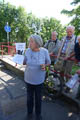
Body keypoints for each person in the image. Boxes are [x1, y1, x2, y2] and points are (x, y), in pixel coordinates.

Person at [23, 34, 51, 120]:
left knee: (38, 99)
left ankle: (38, 114)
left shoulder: (45, 51)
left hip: (39, 80)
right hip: (28, 79)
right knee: (29, 98)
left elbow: (48, 63)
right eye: (29, 41)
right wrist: (20, 58)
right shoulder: (27, 51)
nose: (29, 43)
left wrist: (45, 66)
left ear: (37, 43)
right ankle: (29, 113)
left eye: (31, 41)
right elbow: (24, 62)